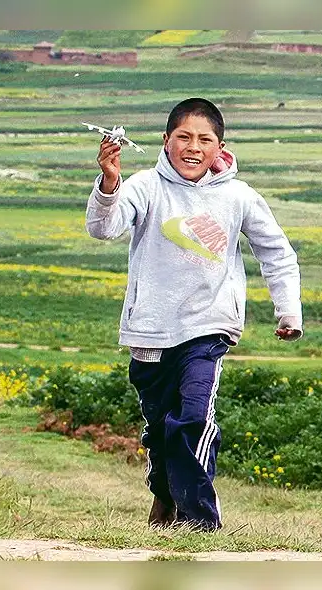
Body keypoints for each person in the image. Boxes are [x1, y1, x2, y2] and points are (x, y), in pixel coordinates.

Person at [85, 98, 303, 531]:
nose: (192, 146)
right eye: (183, 137)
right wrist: (110, 183)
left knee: (193, 419)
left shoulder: (237, 196)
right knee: (160, 426)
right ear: (166, 141)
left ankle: (199, 519)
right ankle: (165, 495)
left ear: (220, 147)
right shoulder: (146, 185)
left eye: (204, 139)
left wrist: (288, 311)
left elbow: (276, 253)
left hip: (209, 326)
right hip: (150, 329)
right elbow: (103, 227)